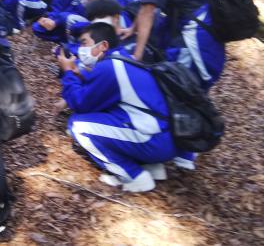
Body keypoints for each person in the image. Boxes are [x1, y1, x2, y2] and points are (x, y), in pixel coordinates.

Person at [56, 22, 188, 193]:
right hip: (168, 139)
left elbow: (80, 103)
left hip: (153, 142)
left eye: (84, 43)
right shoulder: (123, 59)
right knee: (109, 115)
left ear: (103, 45)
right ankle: (151, 166)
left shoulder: (109, 67)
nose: (81, 49)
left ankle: (134, 175)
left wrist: (68, 73)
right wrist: (77, 75)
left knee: (77, 125)